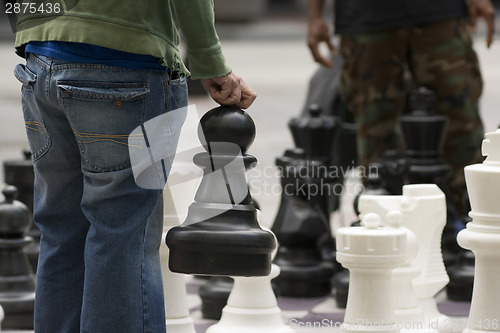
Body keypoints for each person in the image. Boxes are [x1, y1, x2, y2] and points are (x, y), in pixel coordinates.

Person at [12, 1, 256, 332]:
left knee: (60, 230)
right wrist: (210, 60)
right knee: (121, 233)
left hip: (39, 61)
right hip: (125, 62)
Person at [307, 0, 495, 215]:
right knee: (376, 130)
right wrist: (315, 17)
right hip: (366, 18)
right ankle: (384, 225)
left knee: (461, 124)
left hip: (440, 13)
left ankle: (473, 223)